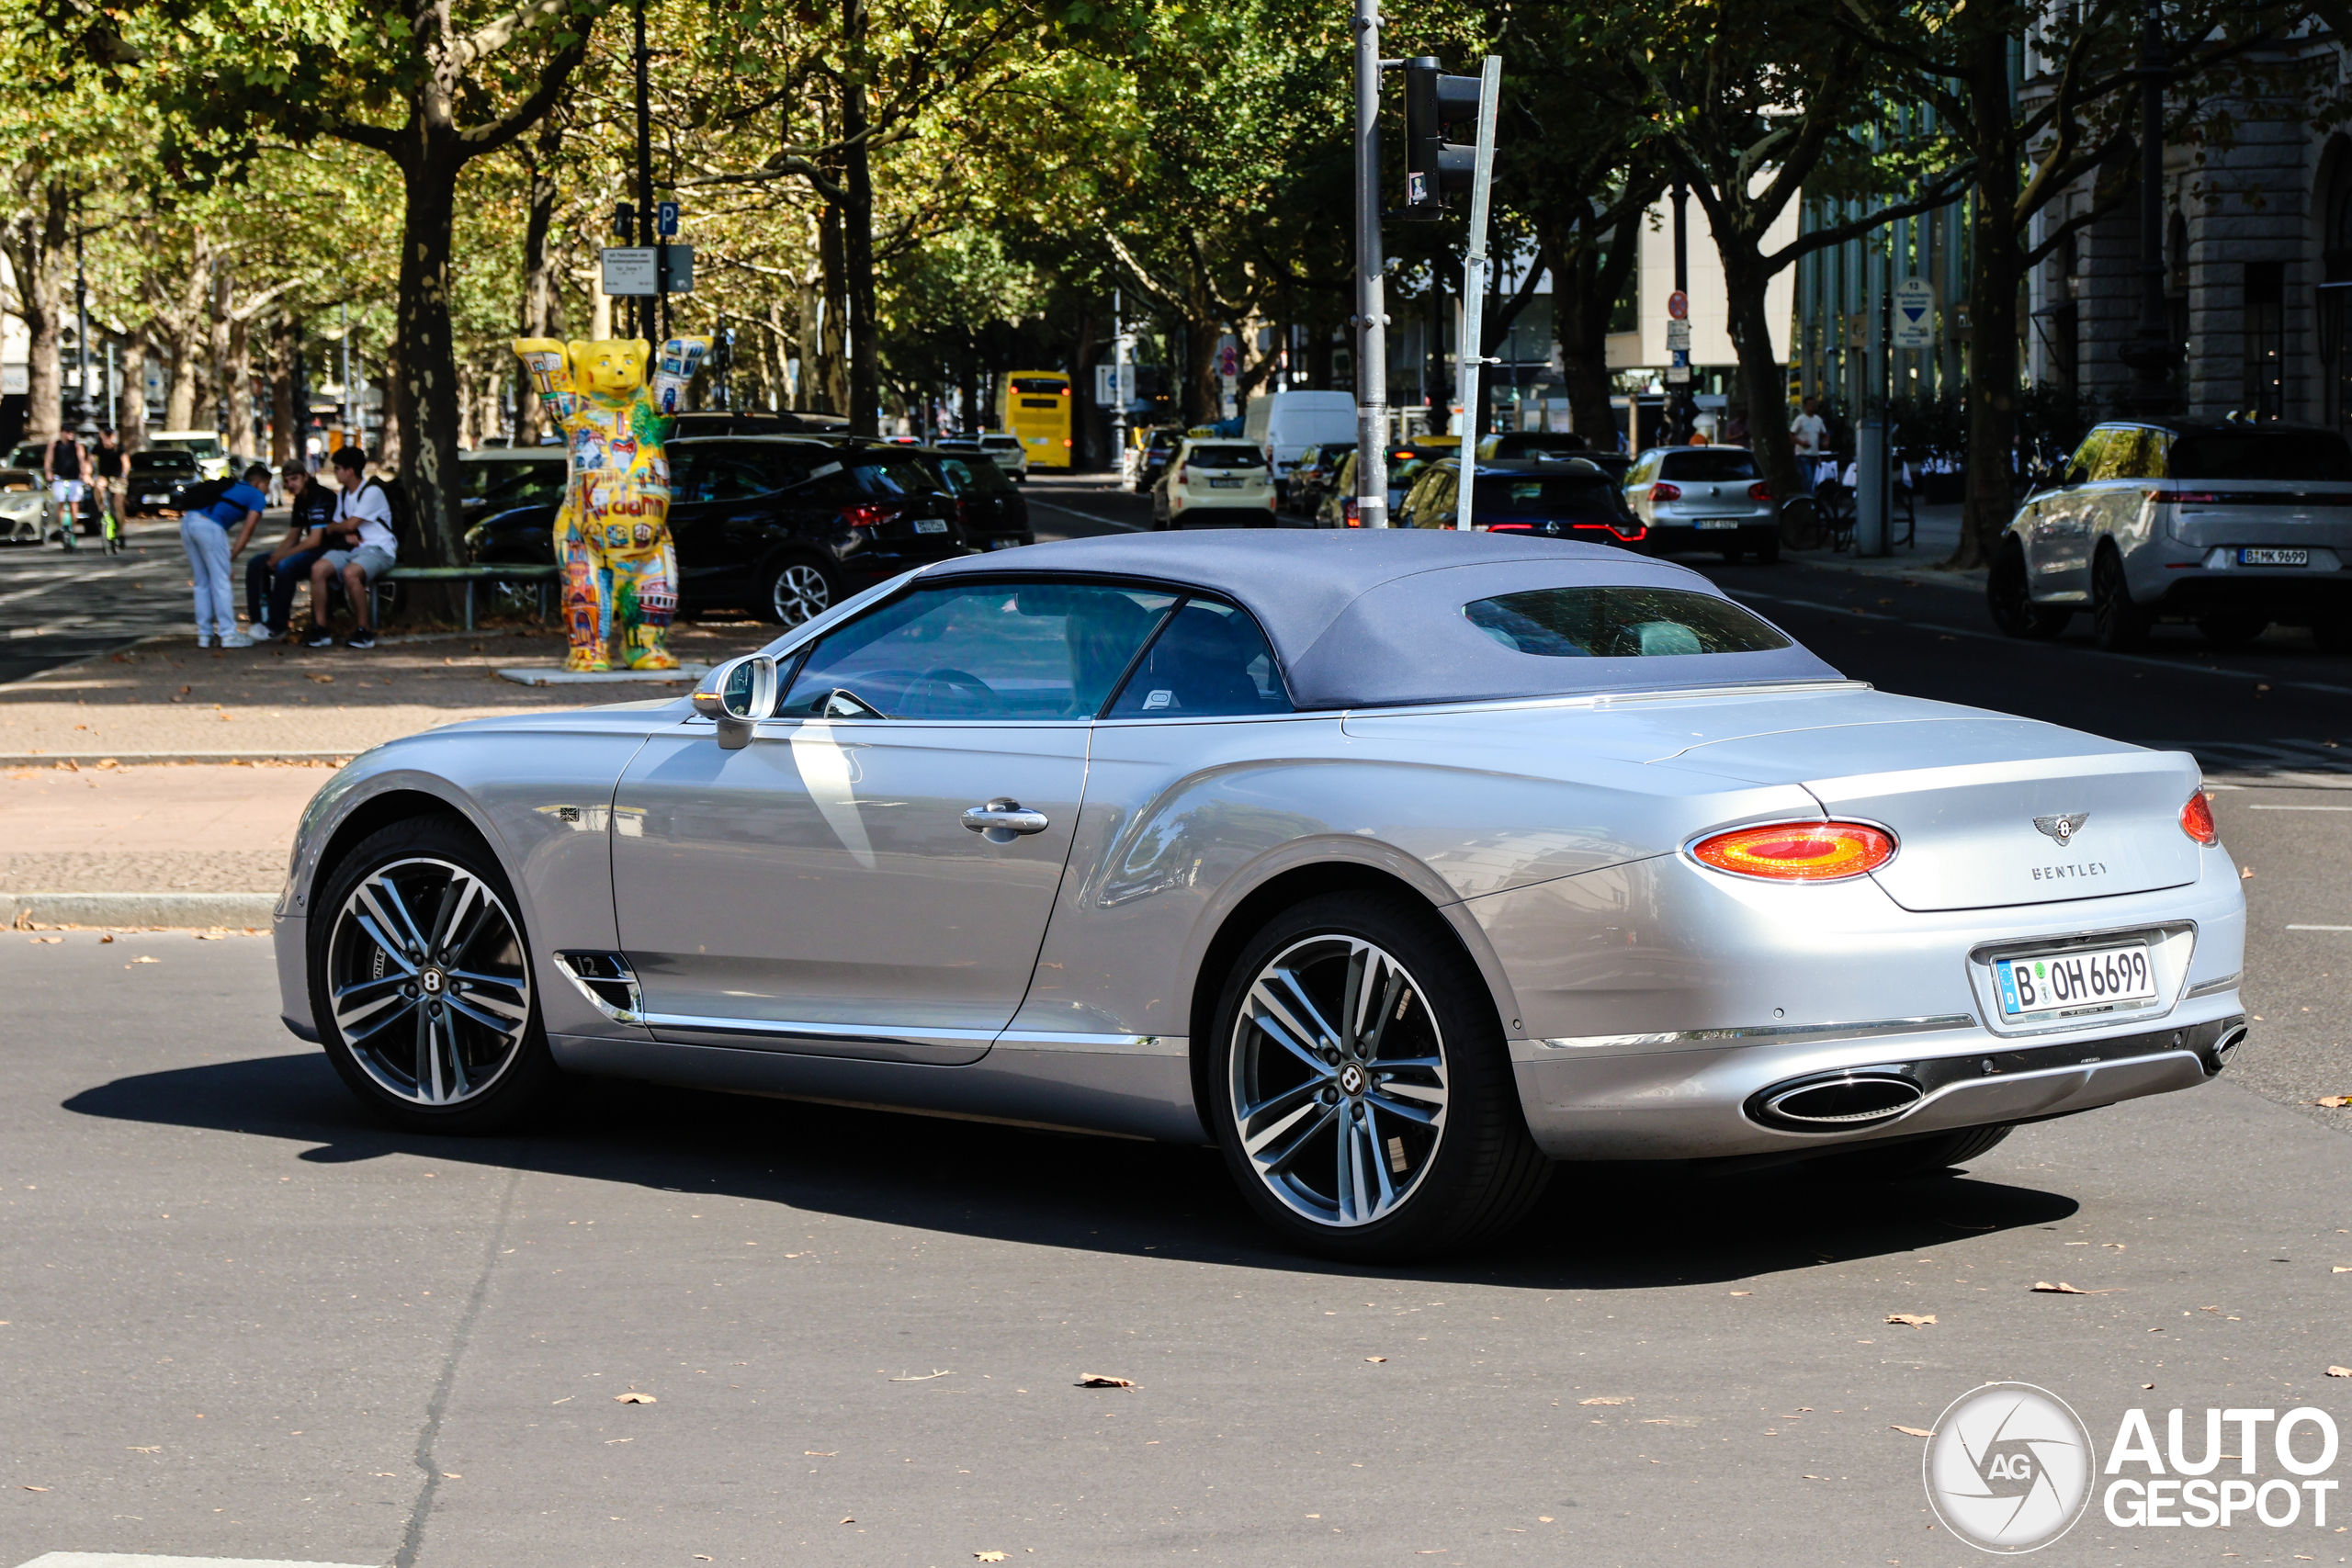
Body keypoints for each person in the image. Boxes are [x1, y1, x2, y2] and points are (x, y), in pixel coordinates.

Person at [305, 446, 398, 649]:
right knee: (318, 569)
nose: (335, 472)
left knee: (351, 574)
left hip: (379, 550)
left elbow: (348, 524)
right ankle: (321, 629)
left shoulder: (371, 492)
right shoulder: (344, 495)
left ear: (350, 471)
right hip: (354, 550)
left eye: (338, 468)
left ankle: (364, 630)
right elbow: (334, 527)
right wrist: (341, 530)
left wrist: (343, 528)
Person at [246, 459, 337, 640]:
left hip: (330, 548)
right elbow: (293, 536)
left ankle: (277, 625)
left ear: (306, 476)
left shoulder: (318, 496)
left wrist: (281, 558)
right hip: (314, 547)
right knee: (257, 563)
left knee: (286, 566)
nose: (290, 485)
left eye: (294, 479)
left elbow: (315, 540)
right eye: (286, 481)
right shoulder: (299, 501)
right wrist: (275, 556)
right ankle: (258, 621)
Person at [186, 462, 271, 649]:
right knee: (221, 581)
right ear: (258, 482)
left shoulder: (231, 486)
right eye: (267, 485)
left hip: (188, 521)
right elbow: (247, 531)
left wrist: (225, 560)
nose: (268, 491)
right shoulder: (256, 496)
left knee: (202, 582)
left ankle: (205, 634)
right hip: (209, 526)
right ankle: (228, 634)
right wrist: (230, 557)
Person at [41, 424, 87, 546]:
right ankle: (62, 527)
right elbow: (48, 460)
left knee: (74, 504)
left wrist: (84, 473)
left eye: (72, 432)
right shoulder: (55, 445)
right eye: (67, 432)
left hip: (74, 478)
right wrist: (49, 472)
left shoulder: (77, 445)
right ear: (62, 433)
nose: (70, 435)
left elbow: (82, 460)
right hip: (59, 477)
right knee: (61, 502)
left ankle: (72, 527)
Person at [92, 428, 125, 550]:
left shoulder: (119, 448)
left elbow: (126, 463)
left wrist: (124, 476)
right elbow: (89, 461)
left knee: (118, 506)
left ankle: (121, 533)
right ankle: (101, 508)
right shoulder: (98, 448)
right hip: (104, 476)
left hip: (117, 477)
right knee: (98, 486)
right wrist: (87, 473)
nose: (106, 441)